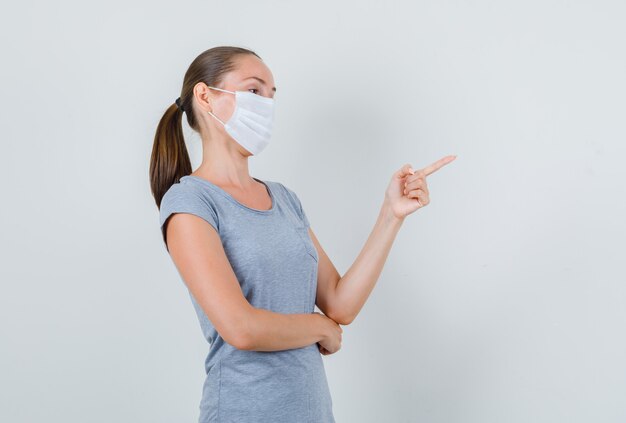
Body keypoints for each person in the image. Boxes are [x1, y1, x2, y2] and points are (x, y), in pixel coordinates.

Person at [149, 45, 456, 423]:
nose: (266, 105)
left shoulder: (283, 199)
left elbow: (340, 304)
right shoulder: (190, 201)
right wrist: (319, 328)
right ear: (205, 96)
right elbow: (240, 328)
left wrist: (391, 215)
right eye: (254, 90)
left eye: (272, 96)